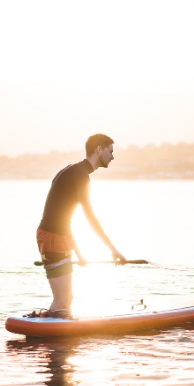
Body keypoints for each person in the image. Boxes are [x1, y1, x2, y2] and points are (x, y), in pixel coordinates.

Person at [35, 134, 126, 318]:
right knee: (64, 301)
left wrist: (78, 253)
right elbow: (90, 217)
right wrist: (112, 249)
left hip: (55, 236)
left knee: (64, 300)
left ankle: (46, 334)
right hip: (53, 238)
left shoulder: (72, 170)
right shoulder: (81, 176)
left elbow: (63, 218)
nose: (112, 157)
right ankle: (49, 337)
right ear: (98, 150)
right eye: (110, 151)